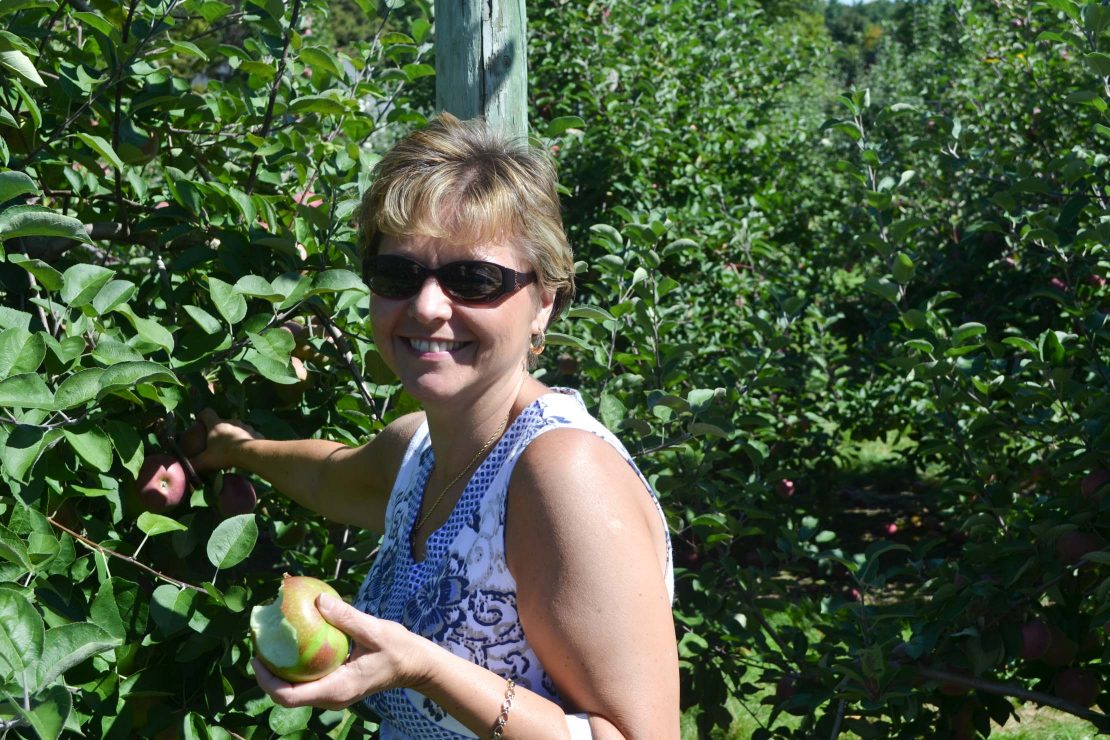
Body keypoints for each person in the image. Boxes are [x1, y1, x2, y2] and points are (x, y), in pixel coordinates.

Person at [191, 113, 679, 739]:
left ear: (545, 303)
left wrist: (426, 669)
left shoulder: (562, 477)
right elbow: (331, 477)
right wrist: (237, 450)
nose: (426, 306)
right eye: (398, 274)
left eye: (473, 279)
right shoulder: (419, 450)